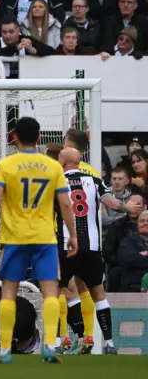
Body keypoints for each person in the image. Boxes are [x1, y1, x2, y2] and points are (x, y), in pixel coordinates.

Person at [0, 117, 78, 364]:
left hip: (15, 237)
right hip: (44, 237)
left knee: (8, 293)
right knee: (49, 292)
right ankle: (49, 347)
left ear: (14, 138)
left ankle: (4, 351)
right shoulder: (53, 167)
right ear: (39, 139)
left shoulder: (6, 164)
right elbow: (66, 203)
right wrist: (72, 234)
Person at [56, 148, 127, 354]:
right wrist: (127, 208)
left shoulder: (57, 181)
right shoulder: (93, 180)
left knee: (58, 291)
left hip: (67, 245)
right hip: (92, 246)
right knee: (98, 294)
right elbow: (112, 203)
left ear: (62, 161)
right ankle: (109, 343)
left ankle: (60, 340)